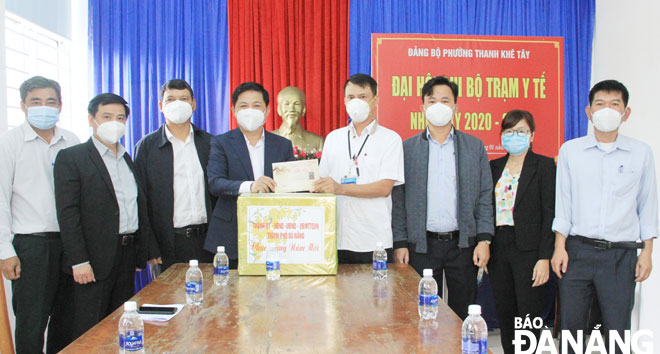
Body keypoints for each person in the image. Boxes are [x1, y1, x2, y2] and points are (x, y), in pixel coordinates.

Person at [551, 80, 656, 352]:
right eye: (600, 104)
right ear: (589, 112)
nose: (606, 110)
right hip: (577, 251)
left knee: (617, 329)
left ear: (625, 112)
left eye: (614, 104)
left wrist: (647, 253)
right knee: (571, 329)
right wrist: (559, 247)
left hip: (620, 255)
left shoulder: (641, 153)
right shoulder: (570, 151)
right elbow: (563, 203)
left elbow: (647, 205)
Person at [54, 93, 157, 340]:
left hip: (125, 255)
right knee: (89, 328)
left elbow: (136, 207)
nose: (114, 122)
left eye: (120, 117)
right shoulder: (72, 157)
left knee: (119, 323)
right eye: (107, 116)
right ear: (92, 119)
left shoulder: (127, 159)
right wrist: (79, 261)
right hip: (91, 261)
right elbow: (68, 213)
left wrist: (143, 249)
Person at [391, 76, 493, 320]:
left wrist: (484, 240)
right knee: (424, 316)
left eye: (445, 100)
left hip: (463, 245)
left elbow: (485, 195)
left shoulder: (474, 146)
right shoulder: (406, 149)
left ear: (455, 107)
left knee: (463, 314)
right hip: (422, 246)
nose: (438, 106)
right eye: (432, 100)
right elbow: (398, 200)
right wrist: (400, 242)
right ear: (423, 107)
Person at [0, 76, 80, 353]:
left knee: (66, 319)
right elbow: (0, 199)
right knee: (32, 322)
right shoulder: (10, 143)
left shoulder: (71, 140)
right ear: (23, 105)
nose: (44, 107)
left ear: (60, 105)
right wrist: (5, 251)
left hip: (70, 244)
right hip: (31, 245)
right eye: (36, 101)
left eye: (51, 101)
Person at [312, 74, 404, 264]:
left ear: (375, 100)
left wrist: (340, 188)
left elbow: (384, 188)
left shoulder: (390, 139)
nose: (356, 102)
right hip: (336, 238)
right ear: (344, 100)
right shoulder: (333, 138)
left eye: (362, 97)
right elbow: (322, 184)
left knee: (375, 293)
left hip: (373, 240)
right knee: (339, 294)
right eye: (351, 97)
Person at [203, 82, 294, 268]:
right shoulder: (221, 143)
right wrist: (250, 186)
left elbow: (291, 186)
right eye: (243, 106)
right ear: (234, 110)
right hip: (230, 235)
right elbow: (215, 183)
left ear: (267, 110)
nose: (250, 110)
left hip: (274, 234)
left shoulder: (282, 145)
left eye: (256, 105)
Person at [489, 110, 555, 354]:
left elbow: (550, 213)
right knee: (506, 313)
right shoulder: (494, 166)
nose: (514, 136)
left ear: (532, 134)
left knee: (529, 316)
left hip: (530, 251)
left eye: (521, 131)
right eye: (509, 131)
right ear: (501, 136)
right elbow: (486, 208)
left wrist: (544, 257)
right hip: (499, 249)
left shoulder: (545, 166)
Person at [134, 79, 214, 271]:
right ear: (161, 106)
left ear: (193, 104)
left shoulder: (210, 143)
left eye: (184, 98)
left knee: (212, 298)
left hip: (207, 241)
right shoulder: (147, 146)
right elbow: (140, 199)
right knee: (170, 300)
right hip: (167, 244)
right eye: (171, 99)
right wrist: (150, 246)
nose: (178, 104)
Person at [272, 86, 324, 152]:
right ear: (279, 109)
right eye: (286, 104)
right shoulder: (267, 140)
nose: (291, 109)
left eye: (297, 104)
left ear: (303, 110)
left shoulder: (317, 142)